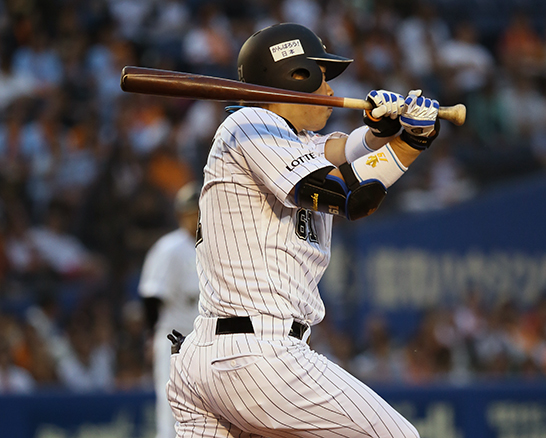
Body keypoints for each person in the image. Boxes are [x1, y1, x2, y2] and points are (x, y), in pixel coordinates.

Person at [167, 23, 441, 438]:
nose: (330, 91)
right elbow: (348, 194)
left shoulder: (293, 140)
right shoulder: (251, 123)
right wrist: (409, 145)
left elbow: (345, 151)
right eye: (322, 77)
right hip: (260, 355)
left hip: (213, 356)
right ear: (294, 77)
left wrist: (387, 133)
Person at [138, 182, 201, 438]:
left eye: (198, 211)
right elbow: (151, 297)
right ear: (180, 215)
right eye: (190, 212)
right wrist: (150, 336)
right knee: (170, 409)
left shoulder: (214, 247)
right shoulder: (169, 248)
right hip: (174, 339)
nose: (195, 218)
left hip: (206, 340)